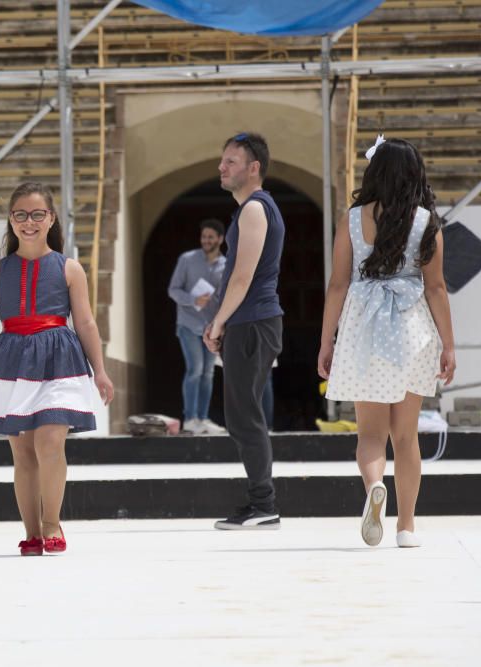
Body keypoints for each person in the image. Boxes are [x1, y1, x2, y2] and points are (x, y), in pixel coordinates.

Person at [0, 182, 114, 557]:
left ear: (51, 218)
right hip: (11, 361)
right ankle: (32, 532)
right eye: (20, 214)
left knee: (50, 441)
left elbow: (85, 322)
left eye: (38, 214)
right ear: (11, 219)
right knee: (22, 453)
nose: (29, 222)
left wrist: (99, 370)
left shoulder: (70, 268)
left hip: (59, 358)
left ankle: (53, 523)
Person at [318, 137, 455, 549]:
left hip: (365, 330)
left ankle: (375, 485)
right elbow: (436, 289)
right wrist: (449, 345)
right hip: (412, 331)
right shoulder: (427, 223)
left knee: (371, 436)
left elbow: (338, 283)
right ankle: (407, 527)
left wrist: (327, 341)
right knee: (406, 437)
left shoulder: (352, 219)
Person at [204, 132, 284, 530]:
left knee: (243, 415)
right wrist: (220, 322)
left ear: (254, 168)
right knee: (241, 414)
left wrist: (218, 322)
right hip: (249, 321)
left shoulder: (255, 209)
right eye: (222, 161)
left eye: (231, 161)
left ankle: (263, 504)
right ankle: (260, 501)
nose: (222, 167)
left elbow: (242, 278)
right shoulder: (248, 211)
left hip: (253, 321)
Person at [168, 219, 227, 435]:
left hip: (212, 328)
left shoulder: (226, 265)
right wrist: (193, 300)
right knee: (195, 370)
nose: (206, 240)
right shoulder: (187, 260)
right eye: (204, 236)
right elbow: (173, 290)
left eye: (211, 237)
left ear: (220, 239)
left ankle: (203, 418)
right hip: (188, 323)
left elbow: (225, 298)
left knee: (208, 373)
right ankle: (190, 418)